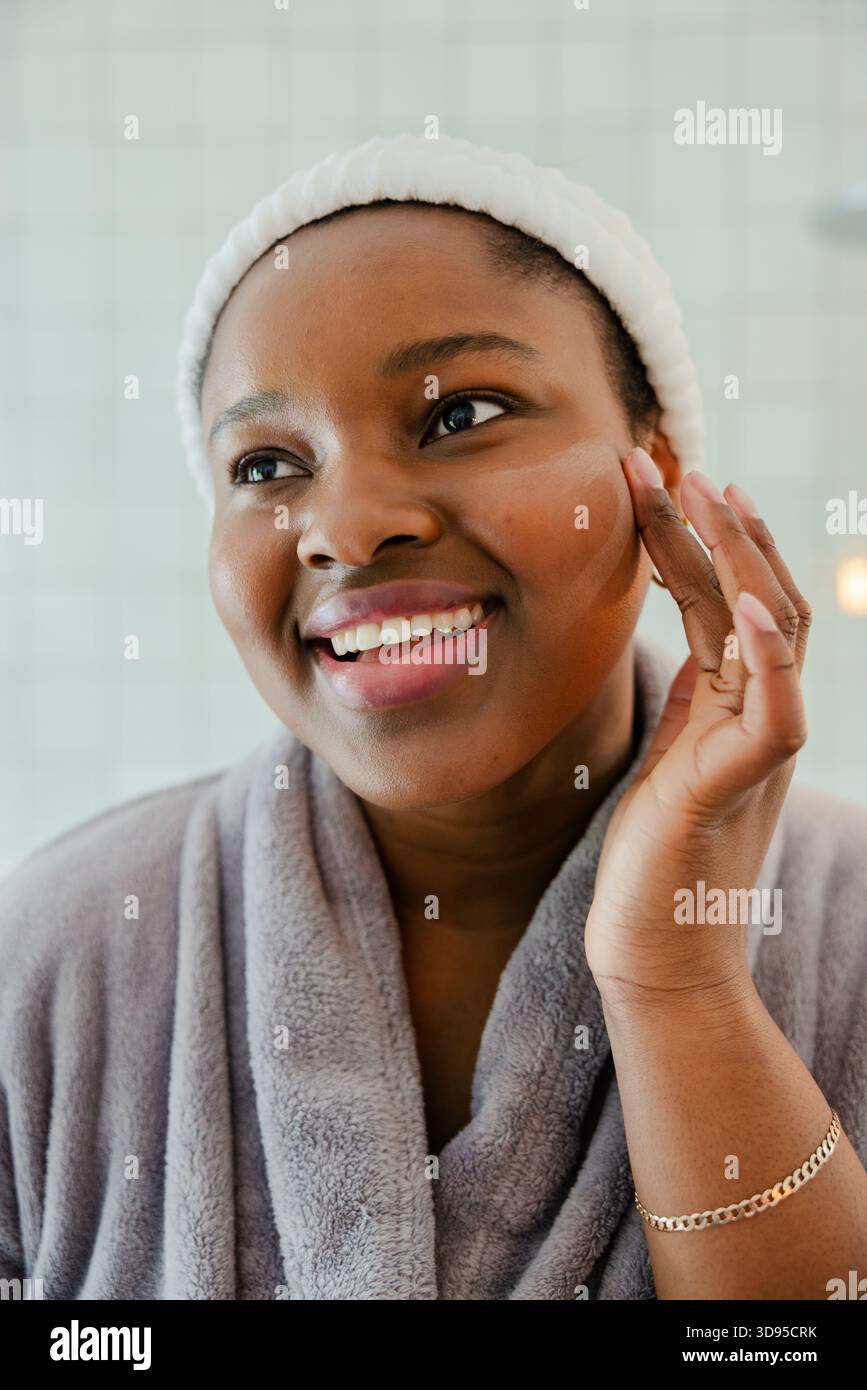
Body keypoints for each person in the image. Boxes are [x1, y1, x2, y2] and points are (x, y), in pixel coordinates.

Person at [1, 134, 865, 1301]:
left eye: (461, 414)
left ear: (652, 469)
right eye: (264, 466)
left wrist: (680, 984)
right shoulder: (50, 957)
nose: (346, 526)